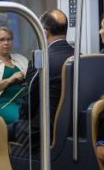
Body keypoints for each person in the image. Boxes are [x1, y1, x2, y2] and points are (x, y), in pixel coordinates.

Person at [18, 9, 74, 144]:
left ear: (44, 32)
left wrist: (22, 125)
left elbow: (28, 101)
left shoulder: (41, 60)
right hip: (73, 126)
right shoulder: (80, 57)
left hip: (43, 129)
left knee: (0, 131)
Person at [0, 25, 28, 125]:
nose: (6, 43)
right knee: (23, 121)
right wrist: (10, 80)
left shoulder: (21, 59)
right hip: (2, 104)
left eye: (9, 39)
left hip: (25, 102)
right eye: (1, 40)